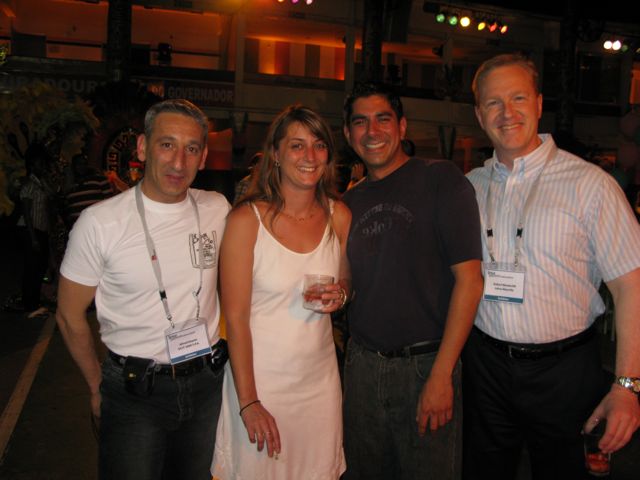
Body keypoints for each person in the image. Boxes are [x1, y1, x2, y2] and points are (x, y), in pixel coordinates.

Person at [463, 53, 640, 480]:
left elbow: (631, 287)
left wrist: (627, 386)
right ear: (479, 115)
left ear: (539, 104)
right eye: (493, 102)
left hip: (565, 372)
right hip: (485, 367)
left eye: (518, 98)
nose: (507, 112)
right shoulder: (468, 188)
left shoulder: (590, 185)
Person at [55, 99, 231, 480]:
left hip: (207, 385)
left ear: (203, 158)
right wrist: (96, 385)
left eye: (192, 148)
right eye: (167, 144)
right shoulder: (100, 223)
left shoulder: (218, 209)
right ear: (142, 147)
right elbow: (69, 315)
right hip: (135, 394)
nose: (179, 162)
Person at [341, 82, 484, 479]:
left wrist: (442, 374)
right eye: (361, 122)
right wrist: (338, 293)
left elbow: (470, 281)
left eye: (383, 119)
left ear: (402, 126)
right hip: (362, 366)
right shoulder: (348, 203)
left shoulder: (440, 179)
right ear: (348, 134)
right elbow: (350, 281)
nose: (372, 131)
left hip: (425, 365)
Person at [212, 105, 350, 479]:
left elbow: (346, 281)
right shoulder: (246, 221)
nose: (310, 156)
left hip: (319, 385)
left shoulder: (339, 216)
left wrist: (341, 295)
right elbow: (235, 319)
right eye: (297, 145)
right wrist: (249, 402)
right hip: (261, 383)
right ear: (275, 153)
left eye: (319, 145)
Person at [20, 143, 55, 319]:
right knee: (32, 268)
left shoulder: (41, 184)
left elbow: (52, 197)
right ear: (33, 166)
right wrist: (33, 237)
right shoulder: (29, 185)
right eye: (40, 164)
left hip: (41, 230)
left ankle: (34, 301)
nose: (43, 167)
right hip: (31, 230)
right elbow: (26, 212)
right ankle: (29, 305)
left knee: (40, 267)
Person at [62, 152, 113, 229]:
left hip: (99, 225)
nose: (82, 166)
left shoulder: (99, 179)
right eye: (79, 164)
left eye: (84, 163)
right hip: (79, 228)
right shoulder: (68, 185)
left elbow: (110, 202)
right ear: (73, 166)